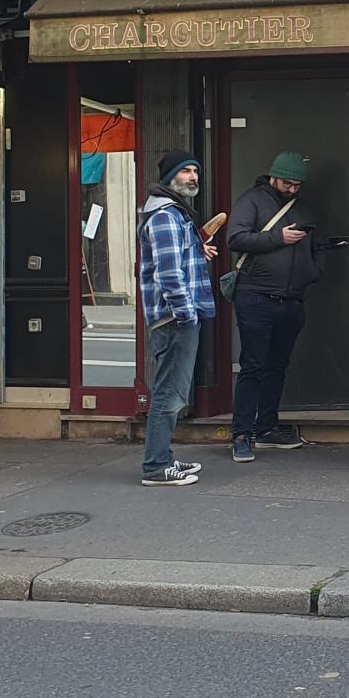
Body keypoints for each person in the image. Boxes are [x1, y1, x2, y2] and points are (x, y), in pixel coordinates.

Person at [224, 152, 322, 463]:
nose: (293, 190)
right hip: (255, 295)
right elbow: (236, 239)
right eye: (288, 184)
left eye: (297, 185)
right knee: (252, 365)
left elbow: (316, 244)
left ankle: (265, 427)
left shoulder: (303, 207)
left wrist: (314, 271)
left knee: (277, 367)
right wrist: (278, 238)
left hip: (292, 298)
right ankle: (242, 433)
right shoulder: (250, 201)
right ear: (274, 177)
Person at [138, 151, 217, 487]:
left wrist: (198, 251)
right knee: (168, 394)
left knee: (172, 391)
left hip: (177, 315)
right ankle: (156, 467)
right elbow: (169, 273)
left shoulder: (175, 214)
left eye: (195, 171)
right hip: (174, 318)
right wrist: (185, 313)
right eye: (185, 171)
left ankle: (165, 457)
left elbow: (175, 260)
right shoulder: (166, 216)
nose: (192, 177)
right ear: (170, 177)